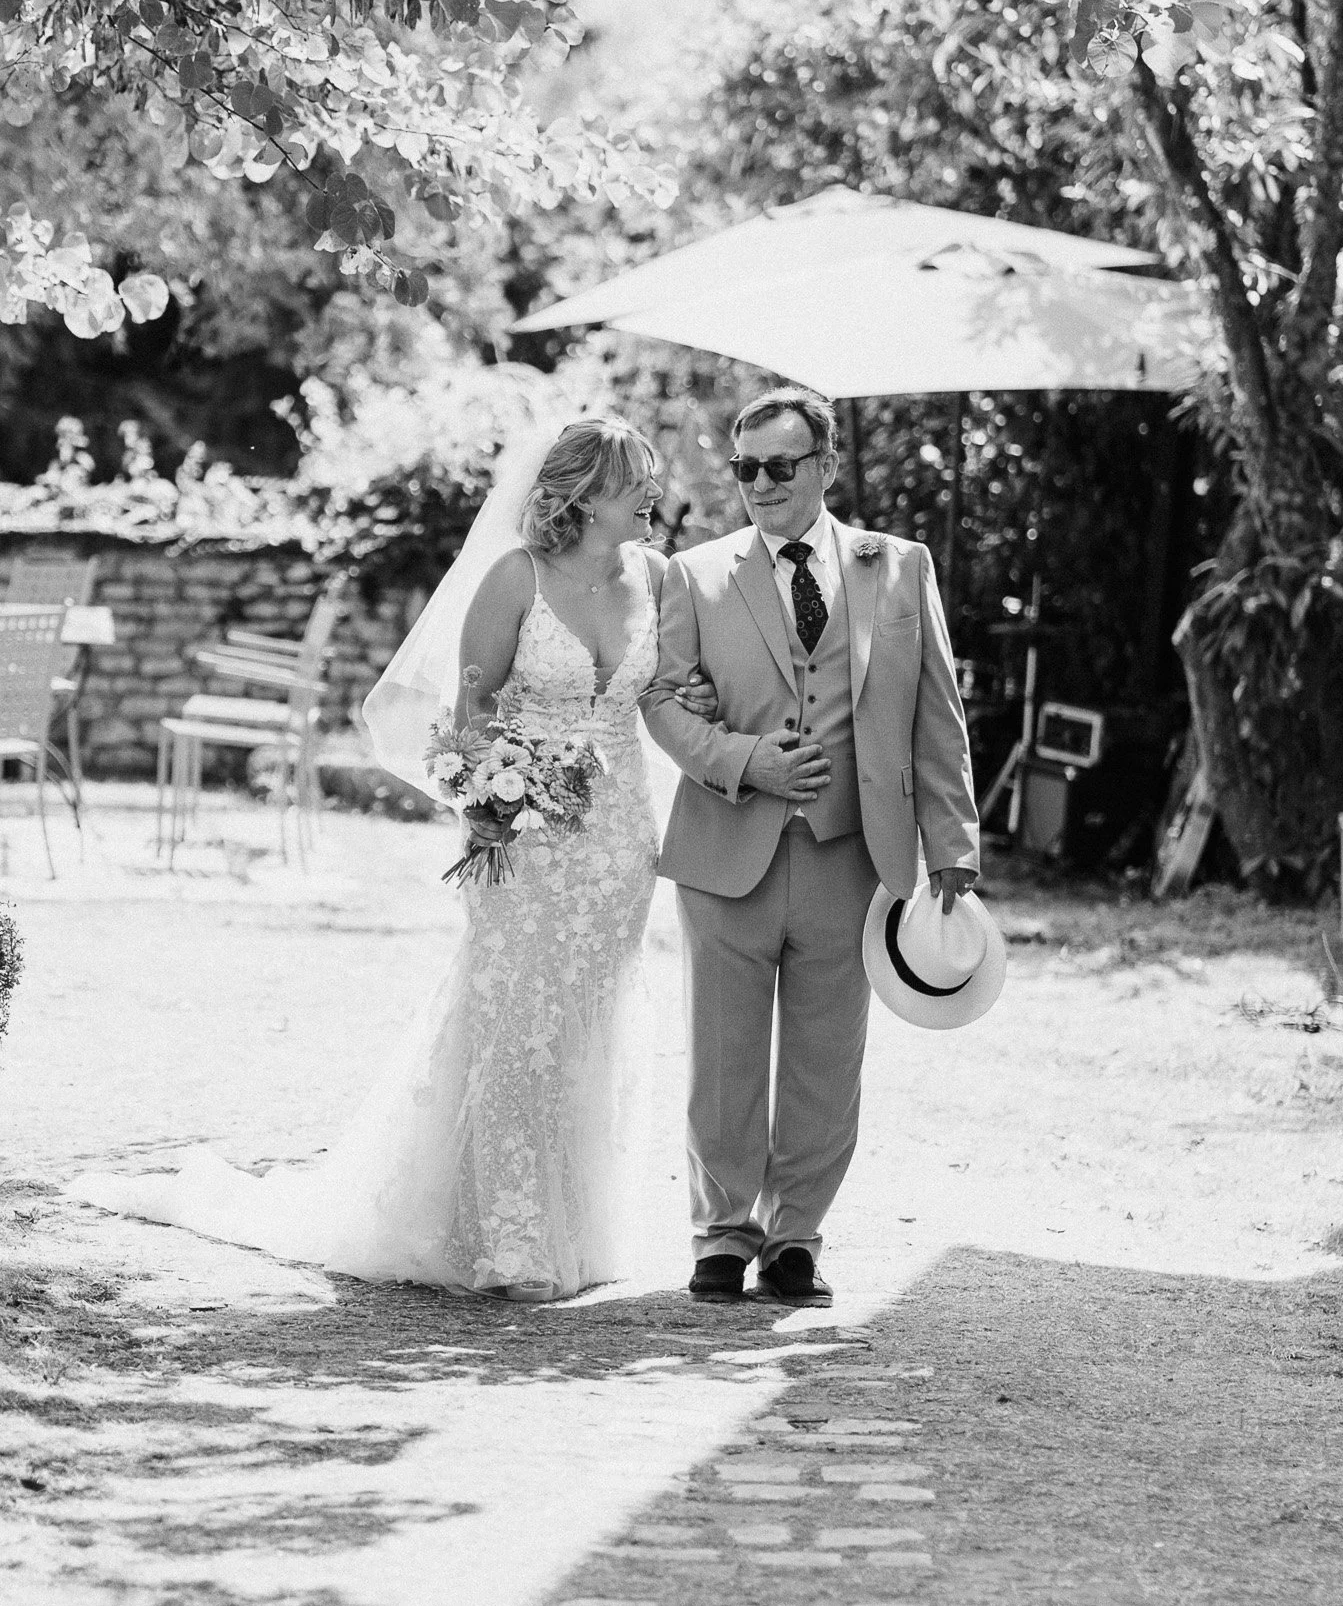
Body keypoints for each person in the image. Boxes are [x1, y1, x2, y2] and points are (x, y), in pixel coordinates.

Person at [70, 418, 714, 1303]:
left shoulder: (659, 579)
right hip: (524, 838)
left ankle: (581, 1228)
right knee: (512, 1020)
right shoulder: (512, 578)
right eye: (635, 479)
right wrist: (504, 792)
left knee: (594, 1020)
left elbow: (669, 701)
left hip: (619, 842)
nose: (653, 494)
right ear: (583, 492)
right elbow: (469, 716)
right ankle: (510, 1236)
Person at [641, 385, 979, 1308]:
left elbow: (934, 712)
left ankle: (794, 1239)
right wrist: (747, 761)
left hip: (851, 852)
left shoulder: (898, 566)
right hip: (725, 852)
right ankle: (720, 1234)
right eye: (745, 468)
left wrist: (951, 843)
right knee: (723, 1054)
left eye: (780, 467)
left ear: (825, 468)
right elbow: (664, 700)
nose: (758, 484)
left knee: (827, 1057)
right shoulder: (692, 574)